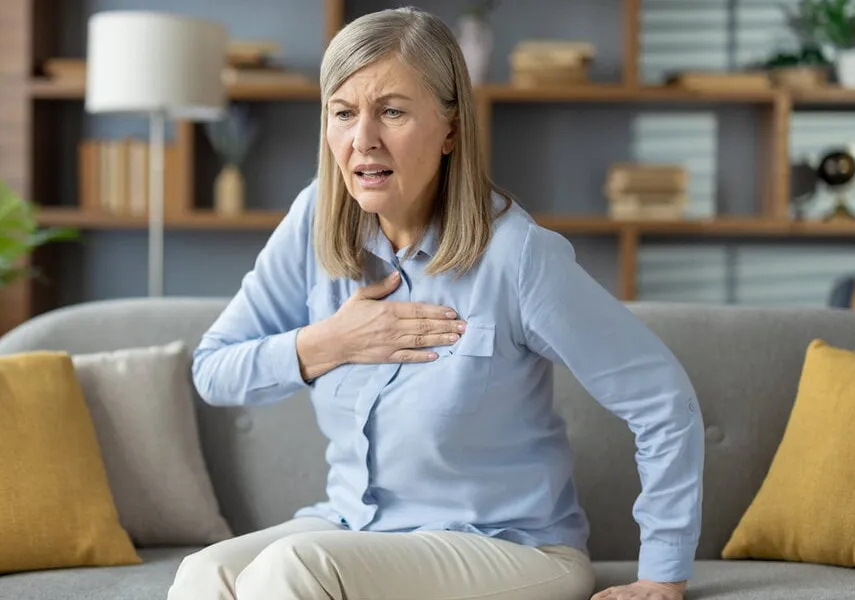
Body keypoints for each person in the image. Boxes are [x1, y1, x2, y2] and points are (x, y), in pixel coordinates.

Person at [171, 7, 704, 600]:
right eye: (343, 113)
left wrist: (663, 574)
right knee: (204, 574)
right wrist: (331, 341)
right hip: (357, 526)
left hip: (507, 547)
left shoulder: (517, 255)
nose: (362, 139)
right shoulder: (314, 218)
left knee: (294, 568)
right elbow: (212, 370)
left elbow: (663, 398)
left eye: (392, 111)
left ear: (450, 128)